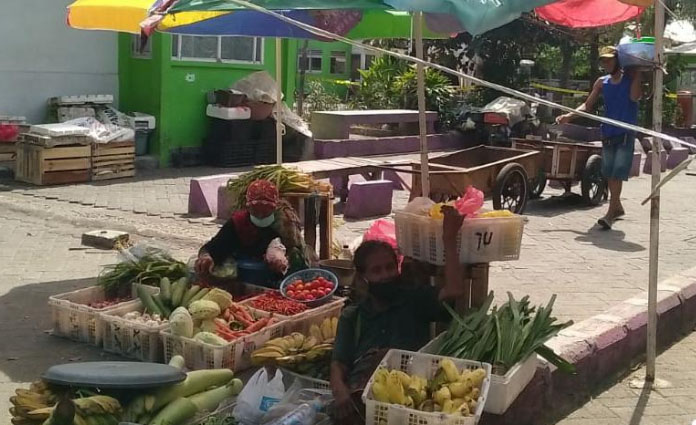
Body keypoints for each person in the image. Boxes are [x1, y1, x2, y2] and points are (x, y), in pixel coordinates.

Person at [330, 207, 466, 424]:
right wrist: (341, 393)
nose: (385, 276)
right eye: (376, 270)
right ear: (363, 277)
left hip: (412, 401)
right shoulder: (352, 316)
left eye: (390, 268)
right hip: (362, 401)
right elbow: (339, 365)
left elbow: (454, 290)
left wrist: (449, 238)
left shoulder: (414, 301)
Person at [556, 46, 643, 229]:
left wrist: (638, 76)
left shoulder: (630, 79)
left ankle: (610, 213)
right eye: (603, 60)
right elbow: (587, 106)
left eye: (609, 59)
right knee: (609, 173)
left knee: (616, 174)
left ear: (618, 60)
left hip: (625, 134)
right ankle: (617, 206)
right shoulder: (601, 82)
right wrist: (568, 116)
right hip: (608, 133)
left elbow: (635, 98)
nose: (606, 63)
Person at [194, 179, 316, 282]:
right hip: (245, 275)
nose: (261, 214)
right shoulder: (238, 223)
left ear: (275, 207)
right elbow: (213, 247)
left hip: (277, 279)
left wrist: (283, 260)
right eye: (255, 209)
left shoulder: (285, 223)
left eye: (266, 210)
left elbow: (297, 252)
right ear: (248, 206)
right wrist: (207, 257)